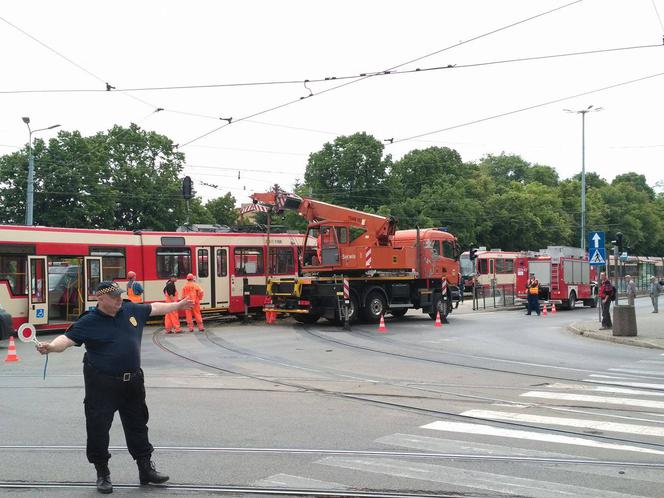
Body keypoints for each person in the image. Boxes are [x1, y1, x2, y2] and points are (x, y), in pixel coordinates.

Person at [35, 281, 193, 494]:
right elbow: (67, 339)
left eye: (120, 295)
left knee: (138, 426)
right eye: (114, 296)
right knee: (98, 429)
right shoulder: (89, 321)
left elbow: (155, 307)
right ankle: (103, 474)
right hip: (102, 385)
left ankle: (146, 470)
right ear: (100, 299)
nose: (119, 299)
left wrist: (178, 305)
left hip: (133, 383)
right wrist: (51, 347)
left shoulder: (130, 309)